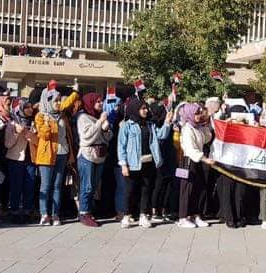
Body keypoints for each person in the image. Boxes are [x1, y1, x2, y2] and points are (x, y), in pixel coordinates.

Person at [117, 98, 170, 228]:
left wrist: (167, 123)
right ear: (135, 110)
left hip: (148, 162)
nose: (146, 111)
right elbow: (121, 146)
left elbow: (161, 136)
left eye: (146, 108)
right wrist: (123, 164)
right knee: (130, 191)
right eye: (143, 108)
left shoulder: (150, 124)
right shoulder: (127, 125)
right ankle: (127, 215)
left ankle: (143, 215)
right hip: (133, 163)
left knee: (146, 190)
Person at [33, 86, 79, 226]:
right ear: (48, 102)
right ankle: (44, 214)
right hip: (47, 155)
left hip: (62, 153)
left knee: (58, 186)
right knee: (45, 186)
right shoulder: (40, 116)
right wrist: (47, 122)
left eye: (59, 100)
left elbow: (69, 102)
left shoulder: (61, 114)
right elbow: (44, 135)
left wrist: (75, 92)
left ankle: (55, 214)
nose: (59, 103)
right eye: (56, 101)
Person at [76, 93, 113, 227]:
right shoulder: (83, 117)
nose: (100, 104)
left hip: (100, 156)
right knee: (87, 185)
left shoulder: (99, 117)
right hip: (87, 155)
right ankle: (83, 212)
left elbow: (107, 138)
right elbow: (87, 137)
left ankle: (89, 210)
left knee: (94, 186)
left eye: (101, 101)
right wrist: (99, 123)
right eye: (97, 102)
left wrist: (106, 129)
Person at [177, 102, 215, 228]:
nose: (199, 115)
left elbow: (207, 139)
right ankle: (183, 217)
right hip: (189, 160)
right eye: (196, 113)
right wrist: (204, 159)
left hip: (198, 161)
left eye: (199, 113)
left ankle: (195, 214)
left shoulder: (197, 127)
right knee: (187, 189)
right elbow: (191, 149)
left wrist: (205, 125)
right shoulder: (187, 128)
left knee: (199, 188)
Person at [4, 98, 37, 223]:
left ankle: (28, 211)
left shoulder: (34, 122)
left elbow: (37, 142)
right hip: (16, 159)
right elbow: (8, 144)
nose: (30, 110)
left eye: (30, 107)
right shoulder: (12, 124)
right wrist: (17, 133)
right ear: (20, 108)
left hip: (31, 159)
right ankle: (14, 211)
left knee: (29, 185)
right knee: (16, 186)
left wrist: (31, 135)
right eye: (26, 107)